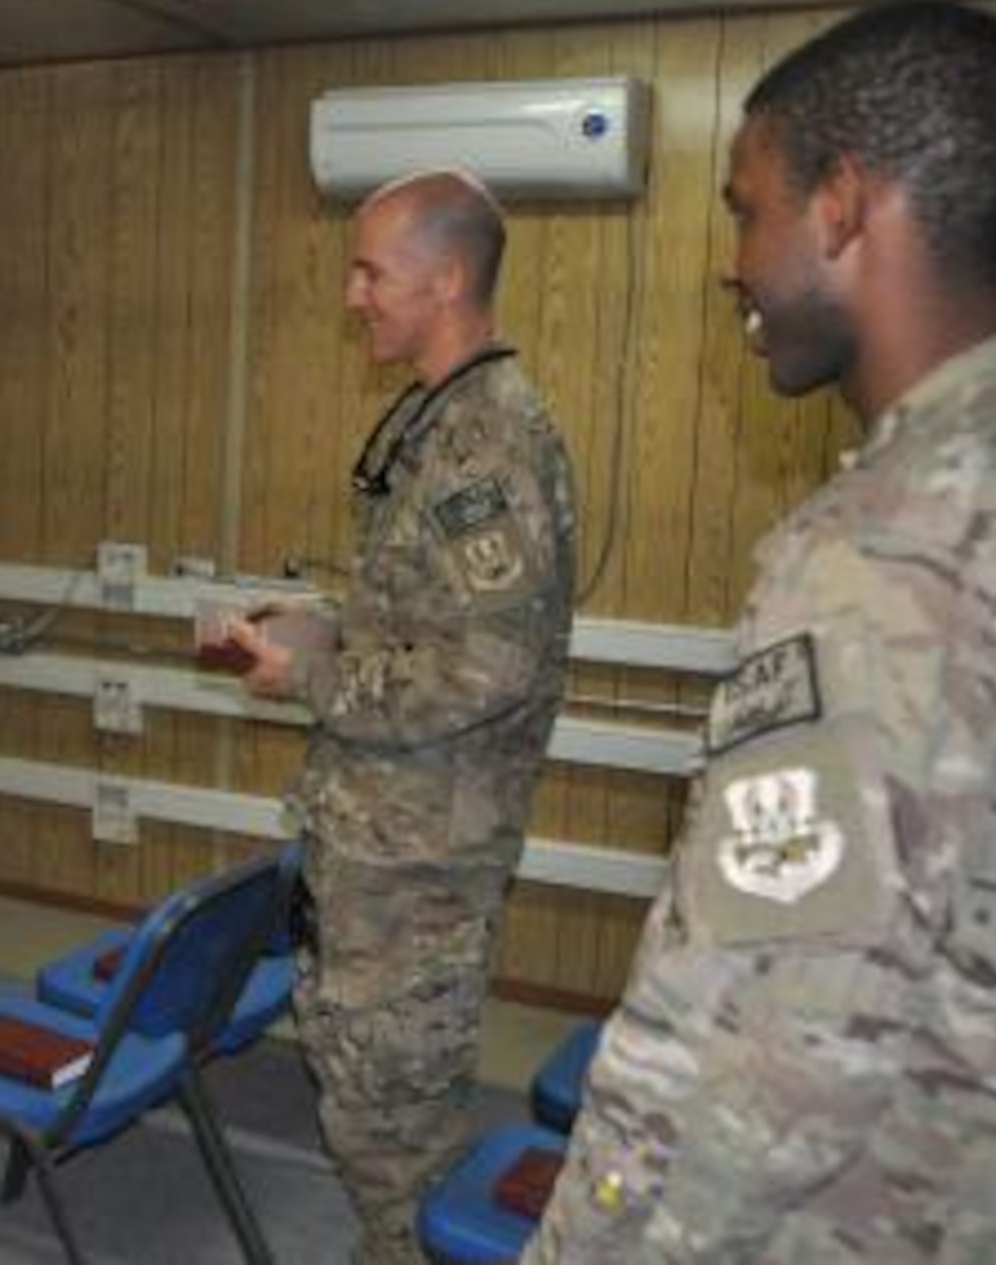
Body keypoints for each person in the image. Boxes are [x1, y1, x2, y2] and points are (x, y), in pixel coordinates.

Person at [525, 1, 996, 1263]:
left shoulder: (888, 546)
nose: (732, 260)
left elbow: (775, 1048)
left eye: (743, 208)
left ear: (839, 205)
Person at [229, 170, 578, 1263]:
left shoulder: (490, 443)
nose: (352, 294)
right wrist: (323, 627)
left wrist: (315, 680)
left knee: (395, 1118)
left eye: (371, 271)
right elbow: (422, 621)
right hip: (379, 836)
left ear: (447, 278)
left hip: (420, 853)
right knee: (367, 1103)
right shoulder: (438, 420)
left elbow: (486, 669)